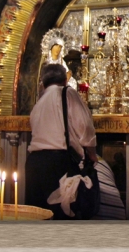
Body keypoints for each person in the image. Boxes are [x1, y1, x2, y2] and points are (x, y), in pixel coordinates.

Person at [26, 63, 97, 220]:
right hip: (58, 164)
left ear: (43, 83)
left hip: (34, 164)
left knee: (36, 216)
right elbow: (84, 125)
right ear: (65, 80)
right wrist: (92, 152)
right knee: (62, 215)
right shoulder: (67, 93)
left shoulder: (38, 103)